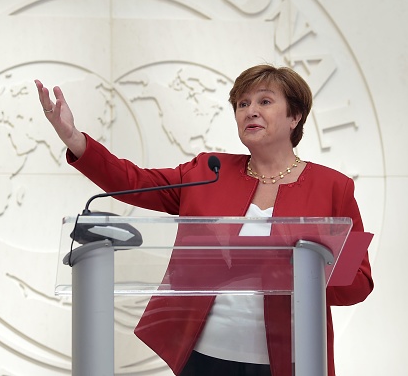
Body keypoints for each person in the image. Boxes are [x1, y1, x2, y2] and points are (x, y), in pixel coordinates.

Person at [35, 64, 374, 376]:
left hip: (290, 361)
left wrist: (299, 272)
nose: (250, 110)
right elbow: (135, 182)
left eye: (265, 101)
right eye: (242, 104)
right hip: (205, 356)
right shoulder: (209, 171)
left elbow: (359, 281)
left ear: (295, 116)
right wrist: (74, 139)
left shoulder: (333, 187)